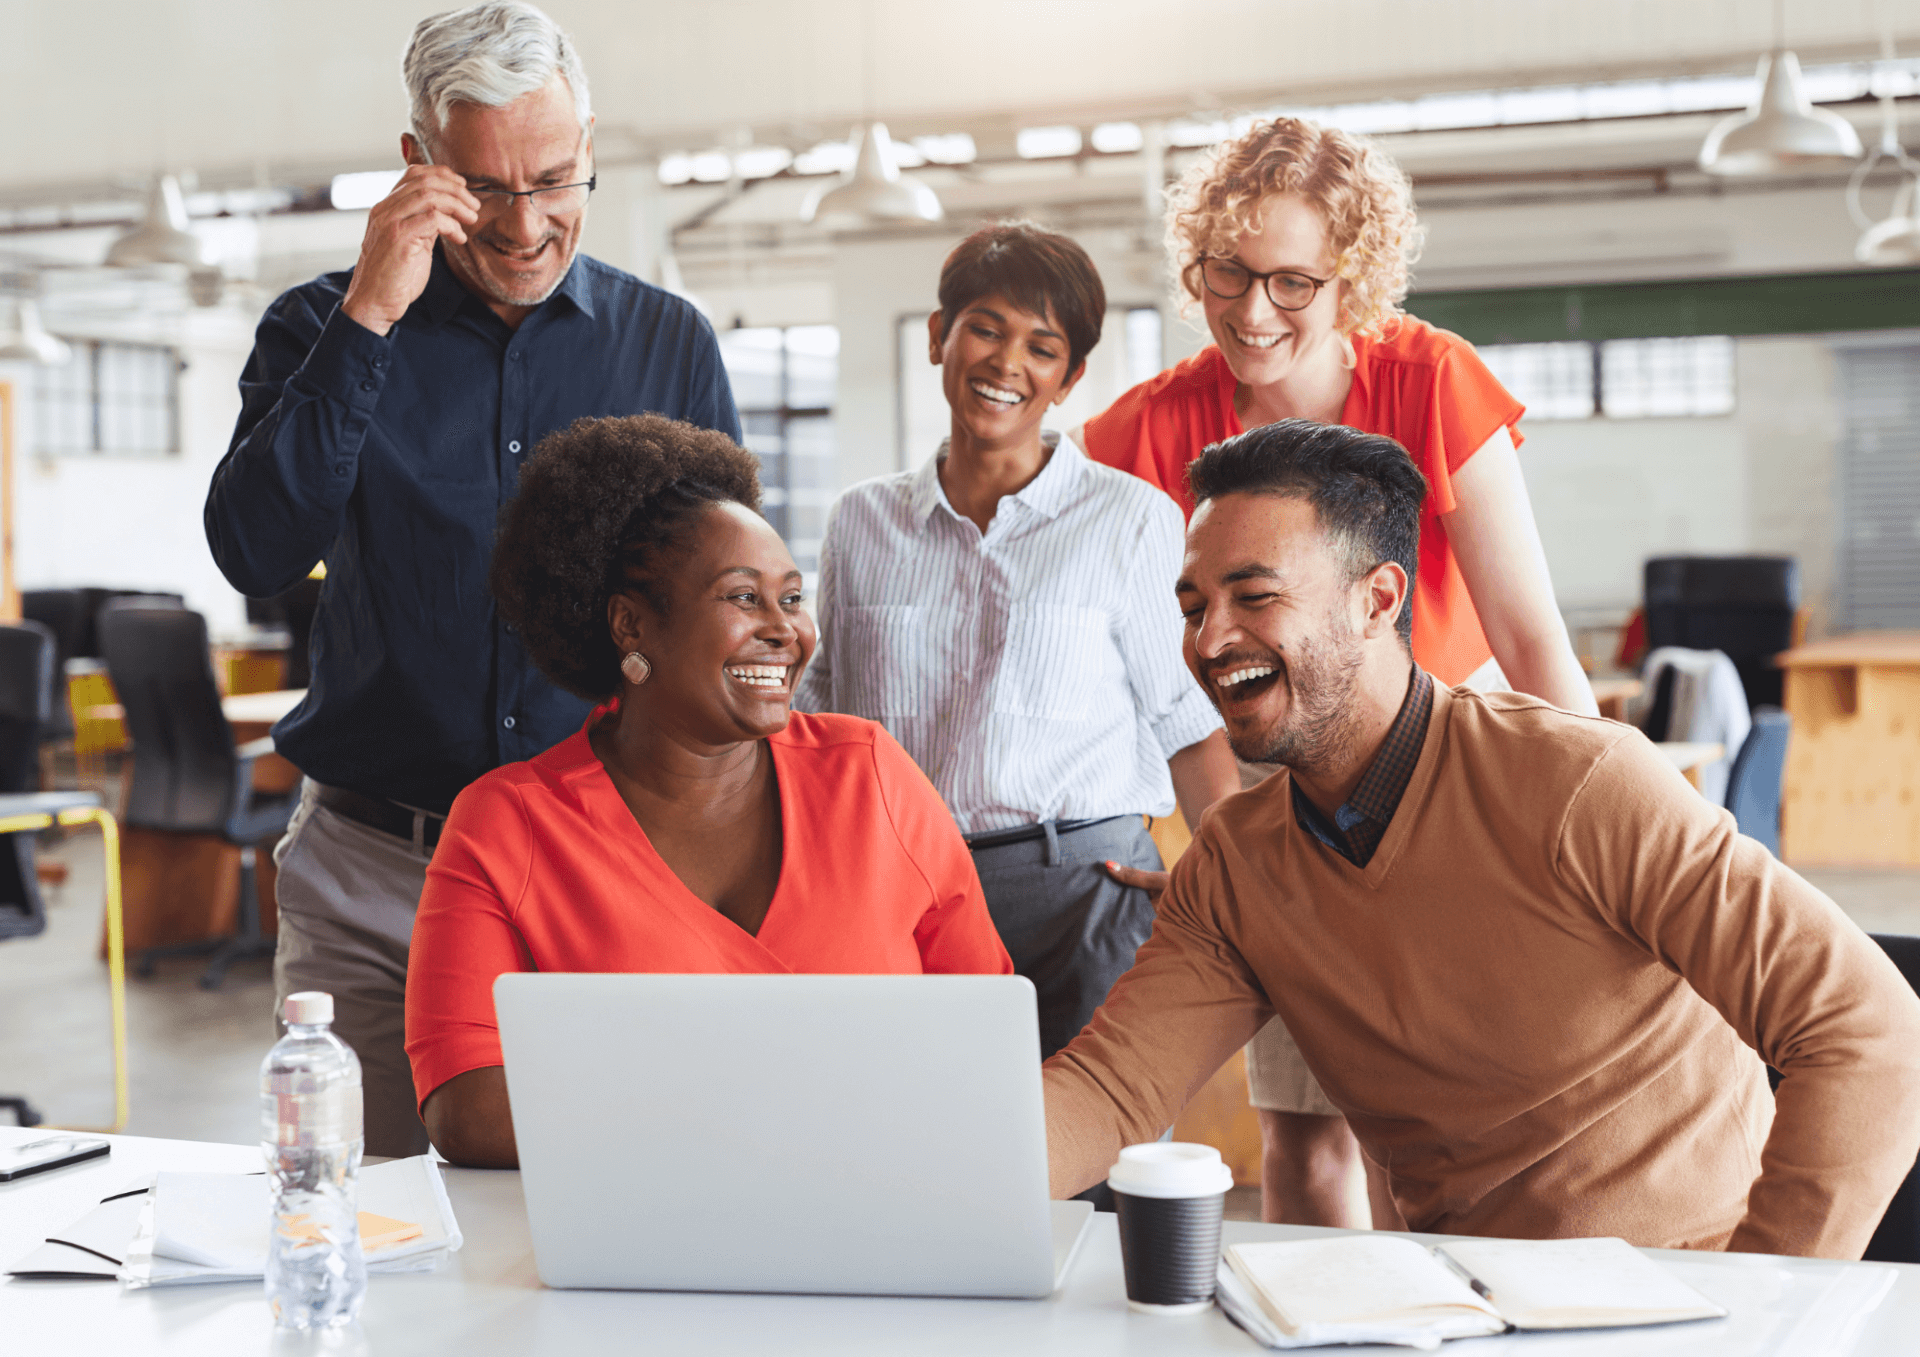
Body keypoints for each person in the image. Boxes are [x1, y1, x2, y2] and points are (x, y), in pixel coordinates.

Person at [1043, 420, 1920, 1260]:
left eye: (1255, 596)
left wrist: (1768, 1307)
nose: (1210, 639)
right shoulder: (1236, 863)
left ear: (1377, 599)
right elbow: (1112, 1089)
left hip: (1686, 1296)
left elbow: (1872, 1032)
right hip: (1460, 1308)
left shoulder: (1580, 782)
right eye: (1194, 606)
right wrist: (932, 1182)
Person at [203, 3, 740, 1157]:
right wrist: (370, 318)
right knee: (373, 1230)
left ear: (590, 145)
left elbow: (720, 614)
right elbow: (253, 551)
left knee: (602, 1219)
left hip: (596, 866)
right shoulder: (316, 328)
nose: (528, 223)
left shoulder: (668, 346)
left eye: (557, 179)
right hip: (371, 879)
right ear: (418, 166)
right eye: (486, 189)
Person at [1078, 117, 1596, 1226]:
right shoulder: (1145, 426)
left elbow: (1533, 642)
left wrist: (1607, 823)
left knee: (1434, 1134)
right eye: (1227, 271)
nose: (1252, 310)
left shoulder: (1433, 382)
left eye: (1293, 280)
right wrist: (1193, 832)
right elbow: (1105, 640)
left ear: (1353, 274)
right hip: (1268, 788)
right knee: (1303, 1144)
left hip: (1439, 769)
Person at [406, 415, 1014, 1168]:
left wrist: (654, 1093)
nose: (783, 630)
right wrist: (802, 1101)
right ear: (631, 625)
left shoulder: (871, 775)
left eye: (791, 599)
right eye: (742, 597)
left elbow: (987, 1031)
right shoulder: (508, 823)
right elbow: (467, 1106)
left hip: (879, 1213)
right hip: (630, 1251)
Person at [795, 222, 1240, 1067]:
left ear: (1069, 380)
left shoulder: (1131, 519)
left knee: (1102, 1168)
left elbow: (1186, 721)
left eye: (1043, 347)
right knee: (925, 1158)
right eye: (987, 329)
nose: (1007, 364)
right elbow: (822, 724)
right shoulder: (862, 523)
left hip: (1085, 894)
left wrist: (1225, 889)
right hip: (907, 895)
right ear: (940, 337)